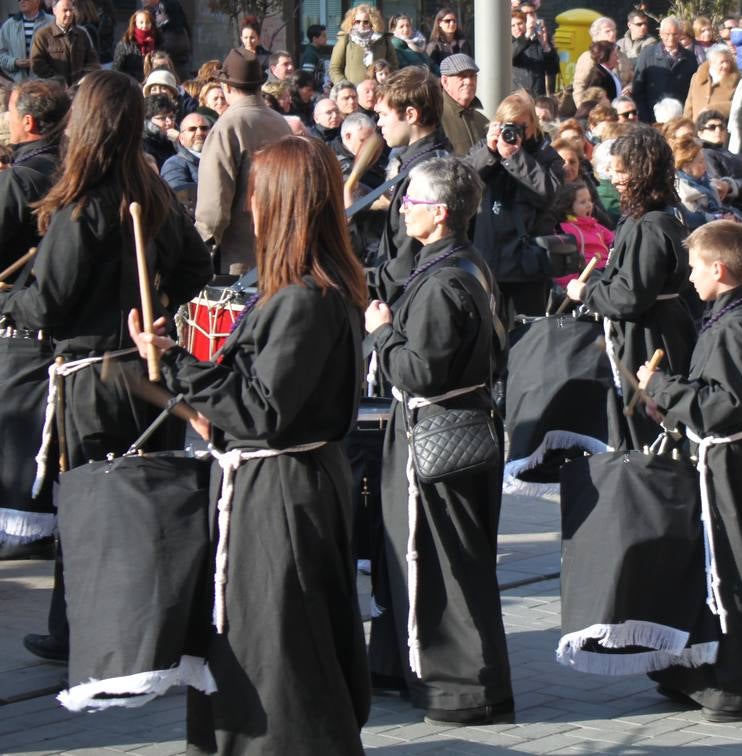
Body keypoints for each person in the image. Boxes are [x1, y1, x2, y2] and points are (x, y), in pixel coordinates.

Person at [130, 134, 370, 754]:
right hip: (280, 481)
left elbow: (263, 409)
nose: (248, 207)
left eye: (257, 195)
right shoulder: (297, 292)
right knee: (265, 634)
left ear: (283, 203)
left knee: (279, 642)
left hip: (282, 494)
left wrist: (181, 366)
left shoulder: (305, 300)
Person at [2, 71, 211, 662]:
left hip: (94, 377)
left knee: (91, 503)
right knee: (143, 500)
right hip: (144, 374)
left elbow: (46, 302)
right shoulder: (155, 195)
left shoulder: (86, 205)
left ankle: (80, 630)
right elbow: (196, 267)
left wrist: (12, 299)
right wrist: (160, 305)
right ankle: (147, 624)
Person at [362, 155, 515, 726]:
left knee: (441, 562)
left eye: (413, 203)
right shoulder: (464, 265)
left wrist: (380, 334)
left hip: (438, 433)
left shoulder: (445, 280)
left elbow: (418, 371)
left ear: (442, 213)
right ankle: (459, 682)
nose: (403, 210)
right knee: (454, 560)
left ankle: (460, 690)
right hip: (459, 426)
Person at [638, 219, 742, 722]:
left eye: (696, 267)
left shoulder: (738, 322)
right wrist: (672, 405)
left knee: (734, 573)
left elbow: (727, 404)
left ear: (719, 269)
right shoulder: (726, 312)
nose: (690, 278)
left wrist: (662, 389)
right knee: (710, 570)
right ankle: (697, 670)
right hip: (719, 455)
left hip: (730, 462)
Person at [566, 125, 696, 448]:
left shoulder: (649, 227)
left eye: (620, 172)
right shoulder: (658, 216)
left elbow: (629, 296)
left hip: (648, 338)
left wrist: (585, 292)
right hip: (659, 329)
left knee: (651, 435)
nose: (612, 179)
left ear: (642, 174)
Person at [0, 81, 70, 548]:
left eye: (7, 112)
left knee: (20, 425)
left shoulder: (21, 179)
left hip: (22, 321)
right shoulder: (74, 171)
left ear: (27, 122)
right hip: (62, 323)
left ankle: (20, 529)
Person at [465, 91, 564, 317]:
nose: (514, 133)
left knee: (528, 335)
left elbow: (548, 194)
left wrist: (516, 158)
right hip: (487, 258)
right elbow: (462, 181)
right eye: (509, 126)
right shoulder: (485, 148)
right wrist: (489, 152)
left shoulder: (545, 155)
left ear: (533, 125)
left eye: (521, 126)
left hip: (527, 262)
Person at [195, 48, 293, 274]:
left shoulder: (227, 127)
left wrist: (202, 248)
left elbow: (214, 208)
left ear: (227, 87)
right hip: (280, 253)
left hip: (239, 260)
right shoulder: (281, 123)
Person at [368, 67, 455, 289]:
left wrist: (355, 279)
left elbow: (406, 266)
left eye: (383, 115)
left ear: (411, 115)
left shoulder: (423, 177)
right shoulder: (435, 159)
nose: (379, 123)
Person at [631, 17, 697, 124]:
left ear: (680, 34)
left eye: (675, 34)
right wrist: (644, 116)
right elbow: (638, 89)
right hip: (652, 117)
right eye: (667, 34)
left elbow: (694, 88)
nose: (671, 38)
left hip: (680, 117)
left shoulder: (689, 57)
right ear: (661, 34)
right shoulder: (647, 54)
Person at [554, 180, 615, 285]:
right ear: (569, 207)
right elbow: (563, 265)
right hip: (588, 275)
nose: (589, 205)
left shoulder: (596, 226)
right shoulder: (566, 229)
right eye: (583, 202)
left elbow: (615, 241)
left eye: (589, 200)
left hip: (608, 268)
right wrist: (572, 283)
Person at [29, 0, 98, 85]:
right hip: (54, 90)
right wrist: (57, 80)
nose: (69, 14)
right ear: (54, 11)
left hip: (78, 89)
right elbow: (37, 64)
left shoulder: (82, 34)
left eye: (71, 10)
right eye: (65, 10)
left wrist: (84, 79)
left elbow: (93, 61)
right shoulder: (43, 35)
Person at [330, 5, 396, 86]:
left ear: (372, 23)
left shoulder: (383, 40)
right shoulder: (346, 39)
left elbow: (394, 66)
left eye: (366, 22)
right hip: (353, 92)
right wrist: (345, 86)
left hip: (378, 90)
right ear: (352, 22)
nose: (361, 25)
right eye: (357, 21)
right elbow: (334, 69)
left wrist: (387, 84)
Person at [437, 53, 489, 156]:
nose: (469, 81)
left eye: (472, 76)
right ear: (445, 81)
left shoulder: (483, 121)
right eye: (462, 76)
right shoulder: (435, 118)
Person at [162, 109, 212, 214]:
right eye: (192, 129)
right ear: (181, 138)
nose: (199, 133)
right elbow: (180, 204)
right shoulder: (173, 165)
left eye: (204, 128)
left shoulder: (221, 160)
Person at [0, 0, 55, 82]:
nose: (21, 1)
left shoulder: (52, 22)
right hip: (17, 83)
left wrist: (39, 62)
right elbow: (1, 54)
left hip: (44, 82)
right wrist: (14, 62)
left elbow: (60, 52)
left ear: (37, 2)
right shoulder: (9, 24)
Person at [684, 44, 738, 121]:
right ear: (711, 63)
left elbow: (737, 105)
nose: (725, 66)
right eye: (722, 62)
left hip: (720, 129)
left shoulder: (736, 81)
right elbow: (689, 105)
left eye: (728, 62)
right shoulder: (697, 78)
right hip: (696, 128)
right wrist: (687, 124)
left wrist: (713, 109)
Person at [112, 9, 160, 82]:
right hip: (131, 85)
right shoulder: (125, 43)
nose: (144, 25)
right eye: (141, 22)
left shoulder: (158, 41)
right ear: (135, 23)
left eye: (147, 22)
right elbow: (116, 69)